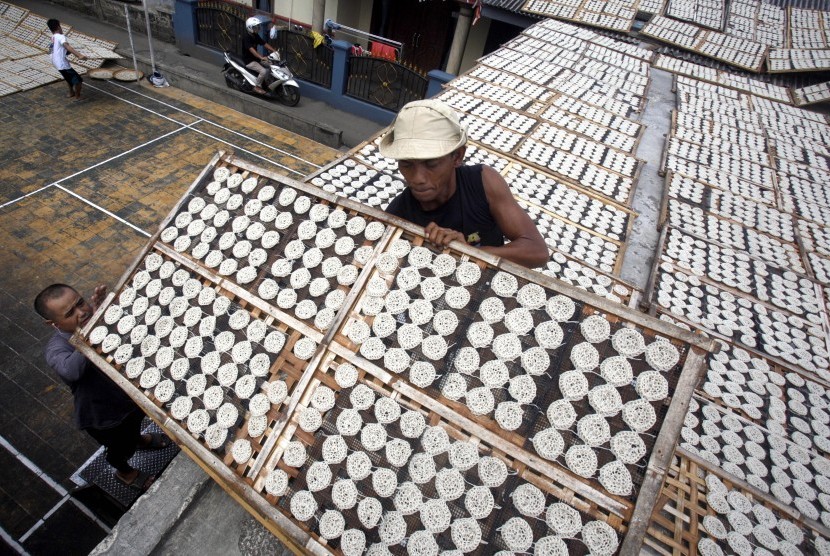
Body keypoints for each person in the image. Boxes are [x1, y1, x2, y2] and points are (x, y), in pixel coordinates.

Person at [380, 99, 549, 268]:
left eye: (431, 163)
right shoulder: (398, 215)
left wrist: (467, 253)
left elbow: (537, 251)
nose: (418, 178)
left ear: (457, 156)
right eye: (406, 164)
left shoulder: (483, 183)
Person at [34, 284, 169, 491]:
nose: (82, 312)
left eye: (80, 302)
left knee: (135, 423)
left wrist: (106, 315)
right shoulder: (56, 349)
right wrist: (94, 326)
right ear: (52, 323)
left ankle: (140, 440)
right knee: (119, 448)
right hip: (104, 416)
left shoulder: (94, 319)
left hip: (126, 396)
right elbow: (72, 371)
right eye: (70, 313)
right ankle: (125, 472)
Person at [47, 19, 88, 100]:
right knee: (78, 81)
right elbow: (66, 46)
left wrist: (68, 52)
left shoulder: (53, 38)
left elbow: (58, 50)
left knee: (68, 78)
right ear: (58, 27)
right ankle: (78, 96)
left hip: (56, 63)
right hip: (62, 64)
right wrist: (79, 55)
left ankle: (71, 93)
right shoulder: (61, 36)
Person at [243, 17, 279, 95]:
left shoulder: (255, 35)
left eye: (258, 26)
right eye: (255, 27)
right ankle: (257, 86)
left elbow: (264, 43)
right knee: (263, 71)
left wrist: (274, 51)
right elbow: (252, 50)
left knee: (272, 64)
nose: (258, 28)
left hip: (256, 59)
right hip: (249, 61)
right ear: (250, 28)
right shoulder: (246, 38)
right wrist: (261, 57)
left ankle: (268, 82)